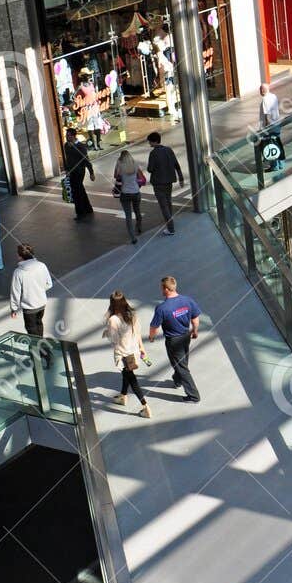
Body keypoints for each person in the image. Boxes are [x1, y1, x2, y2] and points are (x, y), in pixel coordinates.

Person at [148, 274, 201, 403]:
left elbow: (154, 326)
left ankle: (194, 396)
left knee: (181, 367)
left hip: (173, 341)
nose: (161, 290)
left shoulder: (162, 308)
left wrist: (151, 337)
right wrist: (194, 331)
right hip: (185, 336)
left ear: (166, 289)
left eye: (161, 288)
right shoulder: (187, 300)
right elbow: (195, 319)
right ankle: (177, 380)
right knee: (182, 362)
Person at [102, 289, 151, 418]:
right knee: (127, 375)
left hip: (123, 354)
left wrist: (107, 332)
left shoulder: (113, 319)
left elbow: (114, 339)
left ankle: (145, 407)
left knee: (132, 379)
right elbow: (138, 332)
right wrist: (142, 348)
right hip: (133, 352)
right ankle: (123, 396)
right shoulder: (132, 314)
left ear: (112, 304)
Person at [145, 131, 183, 234]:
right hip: (169, 181)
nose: (149, 144)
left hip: (158, 183)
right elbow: (176, 164)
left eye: (150, 142)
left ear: (154, 141)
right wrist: (181, 178)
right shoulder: (168, 150)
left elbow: (150, 169)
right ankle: (169, 220)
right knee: (168, 202)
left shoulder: (153, 153)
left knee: (163, 205)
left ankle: (170, 228)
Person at [9, 243, 52, 336]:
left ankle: (37, 348)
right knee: (39, 323)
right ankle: (41, 345)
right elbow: (49, 284)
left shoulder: (18, 272)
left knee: (31, 329)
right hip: (41, 304)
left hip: (29, 307)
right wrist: (38, 290)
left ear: (20, 256)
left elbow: (15, 292)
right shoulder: (42, 265)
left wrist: (14, 309)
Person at [113, 148, 145, 244]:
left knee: (128, 215)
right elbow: (142, 177)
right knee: (137, 211)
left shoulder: (120, 165)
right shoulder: (135, 164)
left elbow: (115, 176)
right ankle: (139, 226)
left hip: (125, 193)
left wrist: (118, 164)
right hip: (136, 192)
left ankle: (132, 237)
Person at [63, 126, 95, 220]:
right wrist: (67, 169)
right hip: (72, 171)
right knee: (80, 189)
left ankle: (80, 213)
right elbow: (67, 159)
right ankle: (88, 208)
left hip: (79, 171)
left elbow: (86, 160)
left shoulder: (80, 146)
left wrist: (91, 172)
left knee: (76, 192)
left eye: (68, 135)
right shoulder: (66, 146)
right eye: (66, 135)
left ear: (74, 136)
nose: (67, 137)